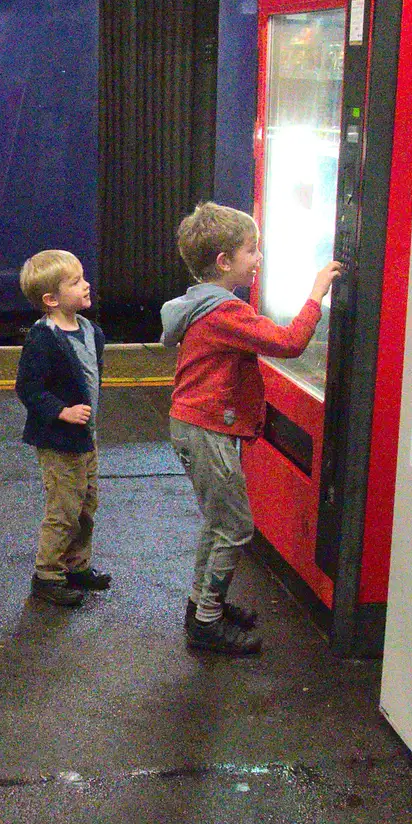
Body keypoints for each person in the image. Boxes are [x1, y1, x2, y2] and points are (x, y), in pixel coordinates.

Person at [160, 203, 339, 656]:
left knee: (218, 523)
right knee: (235, 527)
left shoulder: (204, 304)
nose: (258, 259)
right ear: (224, 262)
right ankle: (205, 625)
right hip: (206, 429)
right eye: (251, 251)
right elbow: (290, 343)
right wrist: (316, 293)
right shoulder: (225, 313)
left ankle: (205, 606)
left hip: (196, 425)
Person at [14, 249, 111, 608]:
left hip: (87, 438)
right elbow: (28, 388)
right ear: (51, 299)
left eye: (83, 277)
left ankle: (76, 566)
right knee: (63, 510)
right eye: (75, 282)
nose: (86, 285)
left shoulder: (91, 331)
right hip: (58, 441)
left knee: (87, 504)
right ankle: (48, 575)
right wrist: (62, 412)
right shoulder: (43, 338)